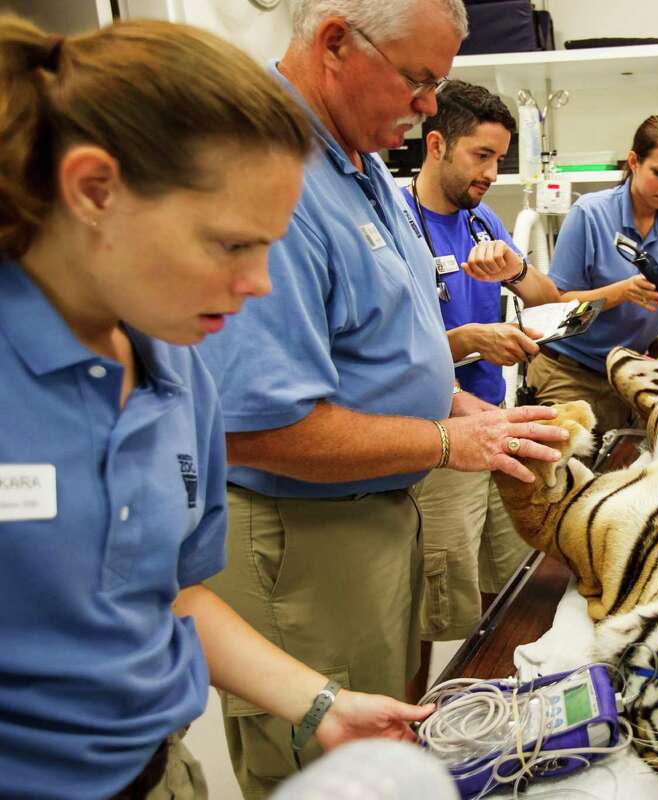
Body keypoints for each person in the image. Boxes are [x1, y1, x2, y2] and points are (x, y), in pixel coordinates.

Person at [0, 15, 447, 800]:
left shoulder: (176, 364)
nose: (260, 285)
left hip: (158, 771)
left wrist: (322, 705)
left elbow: (168, 594)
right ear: (94, 190)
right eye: (229, 245)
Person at [193, 1, 568, 795]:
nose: (430, 104)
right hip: (304, 541)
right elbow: (253, 423)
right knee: (329, 767)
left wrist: (472, 413)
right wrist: (444, 442)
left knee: (385, 736)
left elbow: (382, 349)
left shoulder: (359, 167)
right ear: (335, 43)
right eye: (419, 79)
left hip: (371, 518)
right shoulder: (275, 173)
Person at [400, 80, 562, 699]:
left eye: (500, 158)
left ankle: (490, 696)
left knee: (506, 572)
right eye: (481, 156)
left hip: (494, 421)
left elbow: (547, 297)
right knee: (431, 602)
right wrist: (468, 340)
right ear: (436, 143)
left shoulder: (480, 219)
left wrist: (516, 273)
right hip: (438, 437)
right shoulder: (401, 229)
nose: (492, 172)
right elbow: (391, 360)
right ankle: (414, 725)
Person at [525, 114, 658, 438]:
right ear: (634, 162)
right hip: (569, 371)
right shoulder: (589, 214)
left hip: (631, 376)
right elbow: (556, 305)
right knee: (561, 477)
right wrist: (624, 291)